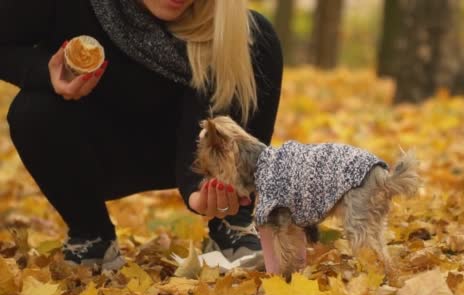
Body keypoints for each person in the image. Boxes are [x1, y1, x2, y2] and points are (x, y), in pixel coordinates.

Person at [0, 0, 283, 269]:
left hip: (186, 145)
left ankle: (231, 222)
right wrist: (42, 73)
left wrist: (200, 186)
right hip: (94, 150)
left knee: (256, 37)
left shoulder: (223, 20)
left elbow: (204, 114)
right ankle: (91, 233)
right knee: (32, 110)